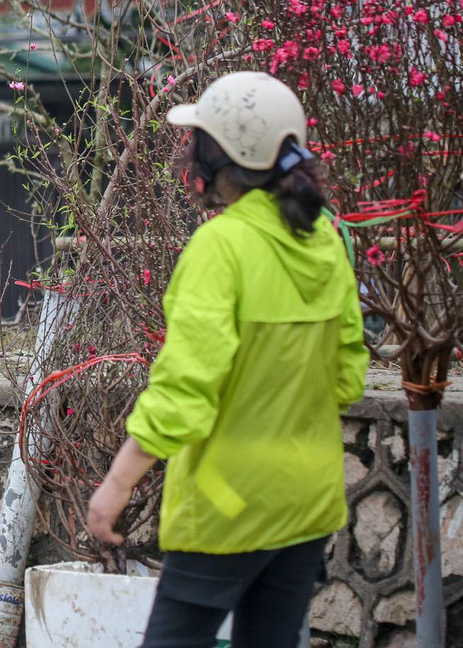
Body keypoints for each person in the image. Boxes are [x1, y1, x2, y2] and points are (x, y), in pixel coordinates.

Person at [86, 72, 370, 648]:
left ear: (221, 160)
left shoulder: (221, 248)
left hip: (226, 508)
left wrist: (116, 485)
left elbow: (185, 390)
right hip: (308, 502)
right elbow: (347, 378)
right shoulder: (325, 241)